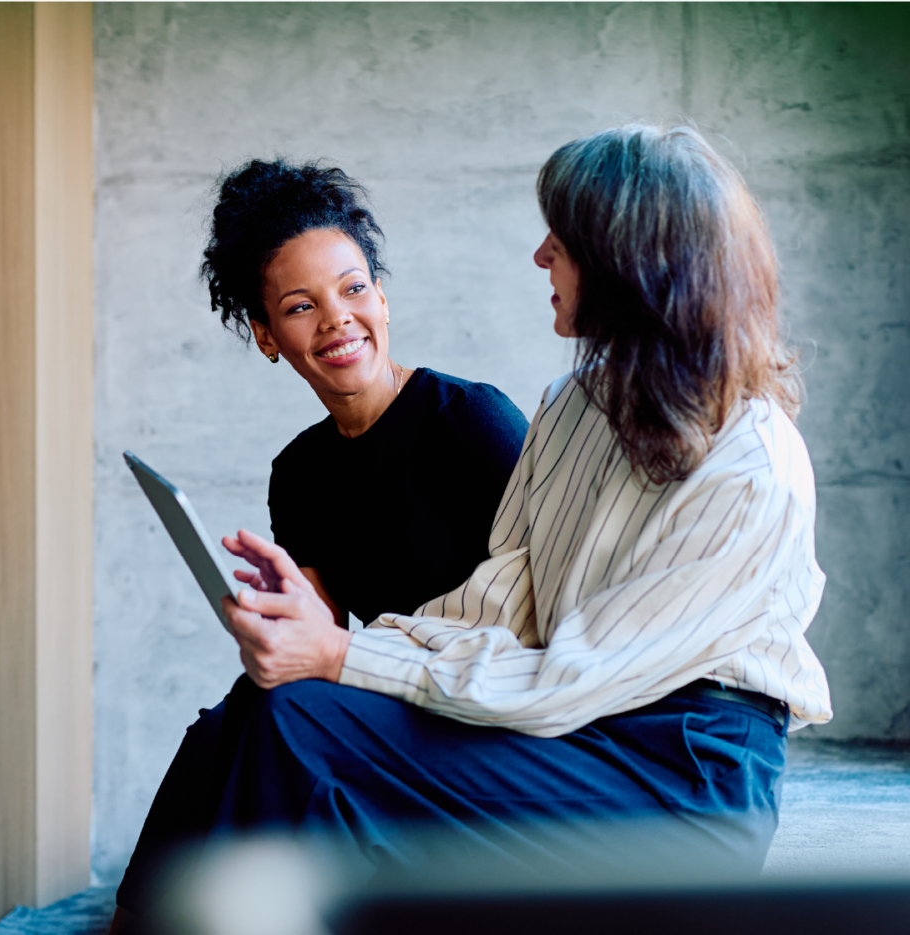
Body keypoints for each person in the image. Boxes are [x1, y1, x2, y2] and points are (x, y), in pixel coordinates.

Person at [214, 124, 833, 873]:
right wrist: (326, 643)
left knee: (310, 726)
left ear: (627, 261)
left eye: (562, 239)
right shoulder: (573, 404)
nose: (541, 255)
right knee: (290, 708)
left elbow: (570, 675)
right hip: (582, 737)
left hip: (685, 780)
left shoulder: (752, 462)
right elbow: (501, 607)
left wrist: (345, 652)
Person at [111, 160, 528, 925]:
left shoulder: (470, 422)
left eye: (354, 287)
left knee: (269, 723)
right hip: (391, 699)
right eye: (302, 306)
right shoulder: (299, 471)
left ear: (383, 299)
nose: (338, 318)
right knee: (235, 716)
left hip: (482, 710)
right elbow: (323, 641)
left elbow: (543, 611)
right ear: (268, 336)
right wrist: (273, 628)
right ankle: (143, 916)